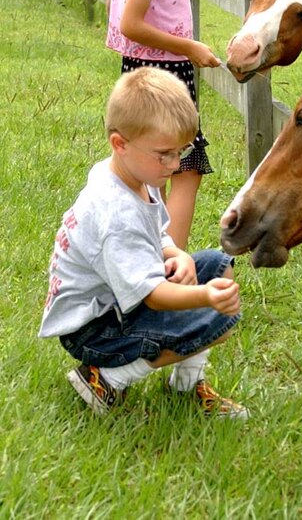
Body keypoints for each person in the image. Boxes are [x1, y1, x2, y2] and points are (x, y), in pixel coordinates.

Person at [39, 67, 248, 419]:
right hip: (95, 331)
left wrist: (176, 254)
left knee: (216, 265)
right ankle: (105, 377)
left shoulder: (135, 173)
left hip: (118, 304)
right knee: (216, 315)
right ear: (120, 144)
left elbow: (158, 233)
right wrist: (204, 297)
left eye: (180, 151)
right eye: (164, 153)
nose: (174, 164)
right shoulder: (115, 215)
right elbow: (151, 294)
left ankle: (185, 386)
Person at [106, 0, 223, 251]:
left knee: (147, 163)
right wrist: (189, 46)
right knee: (184, 168)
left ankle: (142, 251)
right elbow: (132, 23)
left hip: (137, 70)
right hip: (166, 74)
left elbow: (121, 13)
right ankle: (168, 263)